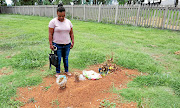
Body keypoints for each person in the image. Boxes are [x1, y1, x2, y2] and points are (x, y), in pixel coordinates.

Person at [48, 3, 74, 77]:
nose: (61, 17)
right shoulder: (53, 22)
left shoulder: (68, 22)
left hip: (67, 44)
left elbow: (71, 33)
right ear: (57, 13)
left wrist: (72, 41)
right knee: (58, 59)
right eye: (60, 16)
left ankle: (66, 71)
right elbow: (50, 34)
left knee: (66, 58)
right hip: (57, 45)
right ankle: (58, 72)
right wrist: (50, 44)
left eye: (63, 16)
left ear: (65, 14)